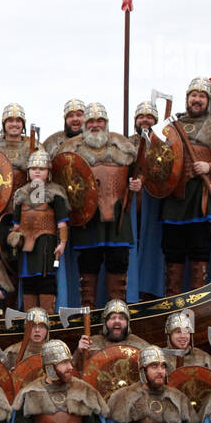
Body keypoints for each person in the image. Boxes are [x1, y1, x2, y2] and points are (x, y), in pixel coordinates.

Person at [161, 77, 211, 295]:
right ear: (187, 99)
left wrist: (209, 166)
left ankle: (197, 300)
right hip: (172, 201)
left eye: (201, 96)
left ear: (207, 101)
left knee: (199, 252)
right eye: (193, 95)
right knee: (172, 253)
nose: (196, 100)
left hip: (200, 201)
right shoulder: (173, 127)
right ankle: (172, 303)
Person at [56, 103, 141, 306]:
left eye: (99, 121)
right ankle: (89, 315)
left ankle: (118, 311)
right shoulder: (71, 149)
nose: (95, 125)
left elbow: (137, 173)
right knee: (88, 266)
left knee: (118, 264)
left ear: (106, 123)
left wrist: (138, 182)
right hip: (87, 217)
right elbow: (61, 181)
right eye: (91, 121)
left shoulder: (124, 147)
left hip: (118, 216)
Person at [4, 151, 67, 314]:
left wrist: (62, 243)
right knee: (28, 283)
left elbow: (61, 223)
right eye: (33, 168)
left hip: (47, 247)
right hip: (26, 249)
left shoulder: (56, 193)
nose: (37, 172)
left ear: (49, 171)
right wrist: (13, 238)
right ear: (28, 172)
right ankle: (30, 323)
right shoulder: (20, 195)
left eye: (41, 168)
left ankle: (47, 321)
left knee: (46, 282)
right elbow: (16, 225)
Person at [77, 298, 150, 356]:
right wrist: (79, 353)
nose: (117, 321)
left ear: (128, 323)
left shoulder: (140, 345)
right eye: (113, 318)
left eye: (121, 318)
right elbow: (72, 371)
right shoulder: (91, 343)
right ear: (105, 322)